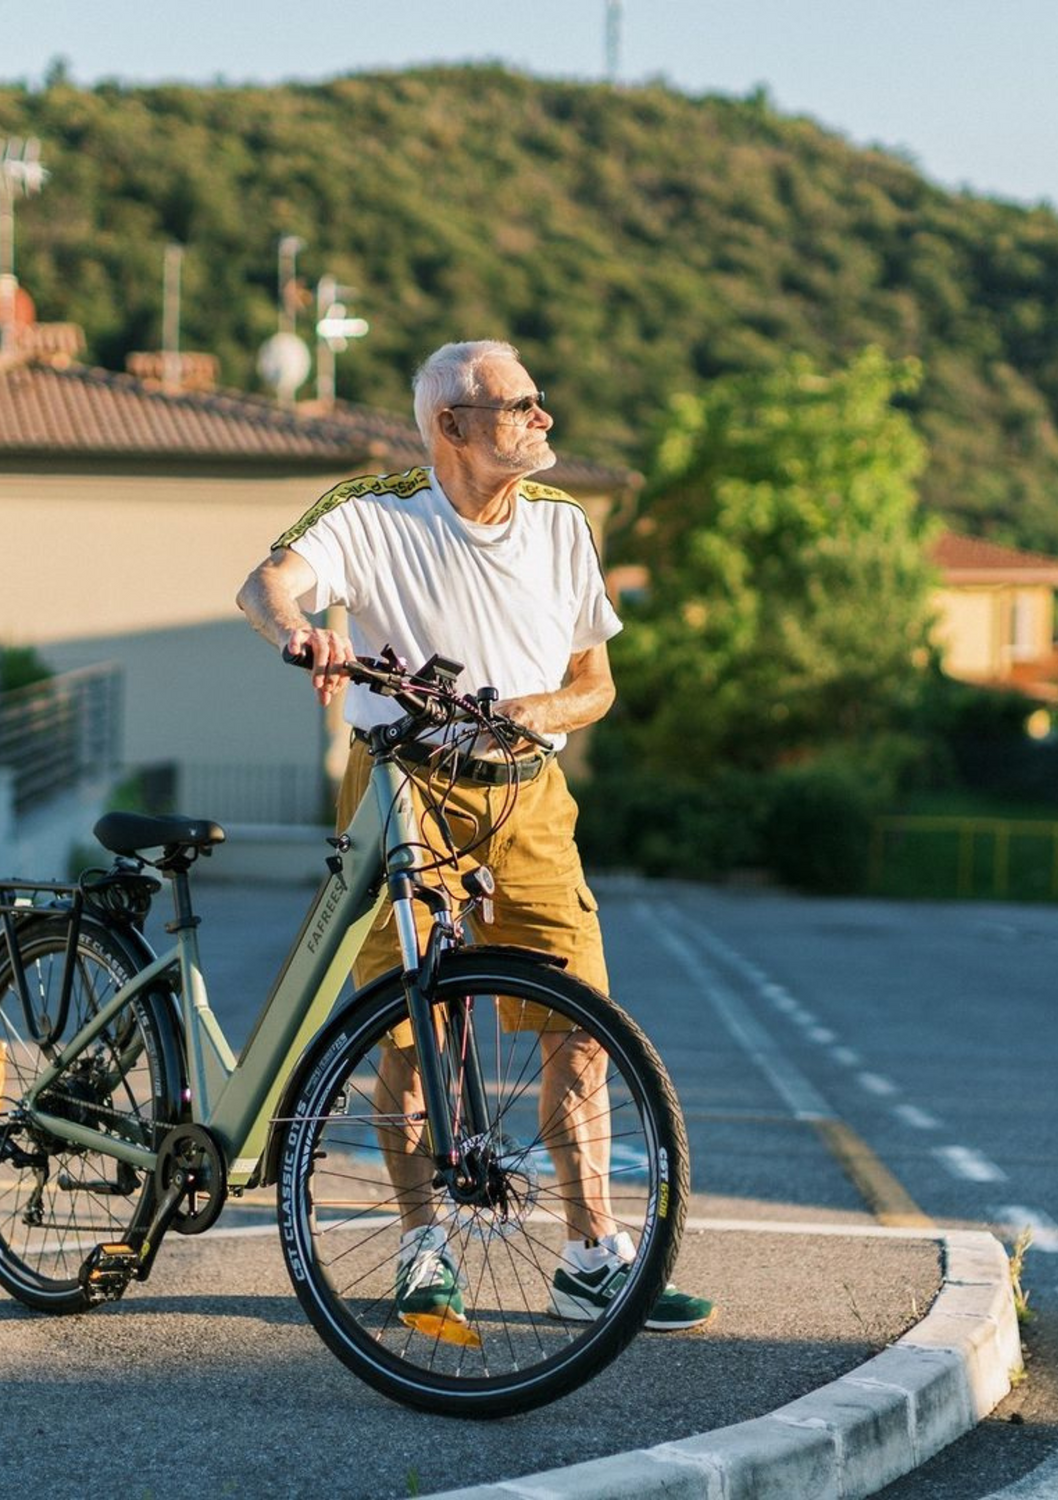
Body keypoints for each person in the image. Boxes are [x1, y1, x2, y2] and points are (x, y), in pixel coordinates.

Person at [237, 339, 712, 1333]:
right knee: (411, 1029)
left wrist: (539, 706)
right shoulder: (373, 513)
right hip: (404, 787)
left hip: (530, 797)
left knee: (581, 1025)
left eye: (542, 401)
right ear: (451, 425)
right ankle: (423, 1247)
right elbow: (267, 584)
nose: (543, 419)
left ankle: (590, 1253)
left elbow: (599, 683)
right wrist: (303, 633)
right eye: (521, 405)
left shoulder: (561, 527)